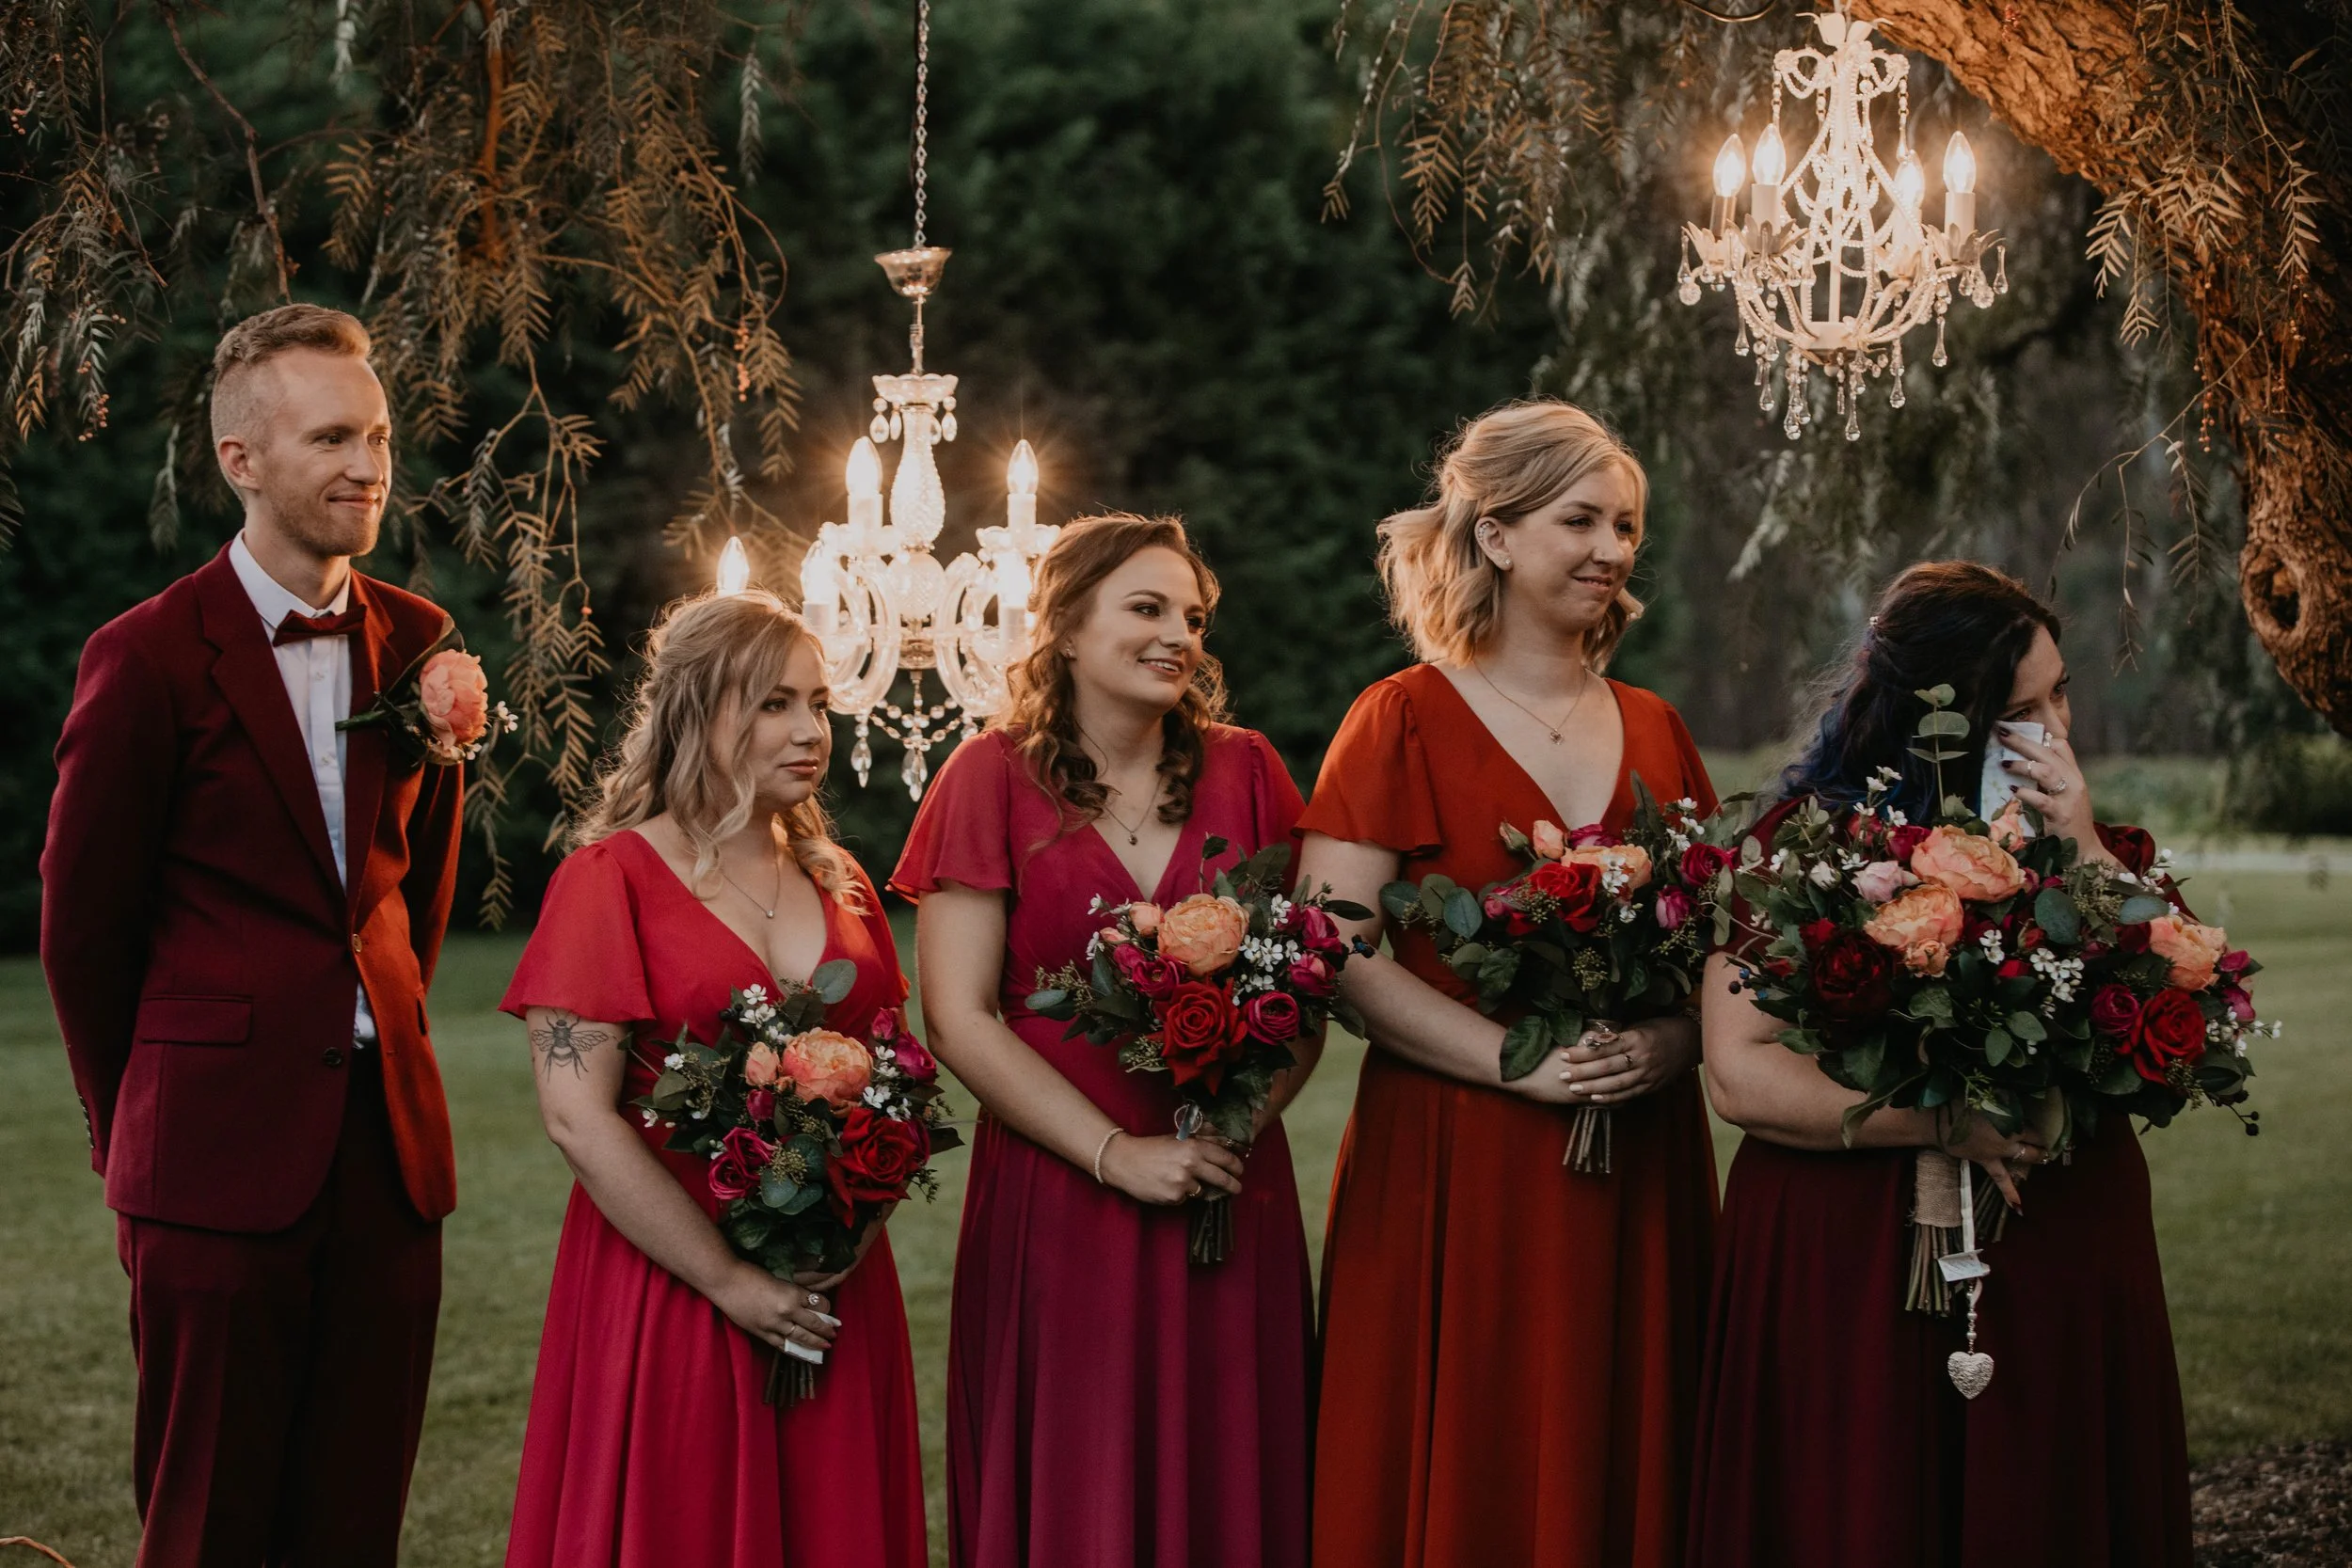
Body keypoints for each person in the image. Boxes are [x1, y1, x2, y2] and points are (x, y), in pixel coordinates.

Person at [40, 303, 480, 1567]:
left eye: (380, 436)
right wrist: (136, 1119)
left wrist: (376, 1031)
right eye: (333, 437)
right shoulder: (146, 657)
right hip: (210, 1160)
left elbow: (416, 892)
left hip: (387, 1154)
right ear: (243, 460)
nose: (369, 465)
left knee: (357, 1515)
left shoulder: (423, 646)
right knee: (210, 1522)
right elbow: (85, 929)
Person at [1687, 560, 2193, 1567]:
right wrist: (1935, 1121)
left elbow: (2181, 1032)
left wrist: (2082, 839)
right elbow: (1738, 1075)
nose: (2054, 725)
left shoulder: (2095, 853)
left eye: (2061, 690)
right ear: (1941, 714)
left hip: (2057, 1243)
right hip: (1847, 1253)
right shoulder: (1806, 850)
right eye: (2021, 705)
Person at [1296, 400, 1719, 1568]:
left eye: (1626, 525)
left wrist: (1674, 1043)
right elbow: (1336, 949)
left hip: (1640, 1150)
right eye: (1579, 518)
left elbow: (1722, 946)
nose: (1611, 550)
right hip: (1455, 1150)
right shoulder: (1399, 719)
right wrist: (1516, 1066)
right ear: (1494, 535)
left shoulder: (1657, 726)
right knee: (1468, 1438)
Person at [893, 513, 1315, 1568]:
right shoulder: (985, 777)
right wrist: (1114, 1153)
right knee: (1075, 1472)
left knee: (1233, 1466)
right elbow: (956, 1014)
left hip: (1228, 1181)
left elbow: (1306, 985)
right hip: (1059, 1191)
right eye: (1147, 607)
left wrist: (1232, 1125)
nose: (1179, 632)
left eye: (1193, 616)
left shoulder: (1250, 771)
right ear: (1065, 627)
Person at [496, 590, 926, 1568]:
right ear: (695, 709)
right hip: (674, 1283)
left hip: (833, 1278)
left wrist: (849, 1229)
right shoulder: (609, 876)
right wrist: (731, 1279)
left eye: (818, 702)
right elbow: (576, 1115)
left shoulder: (840, 879)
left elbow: (898, 1078)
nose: (810, 729)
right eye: (773, 703)